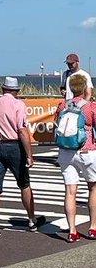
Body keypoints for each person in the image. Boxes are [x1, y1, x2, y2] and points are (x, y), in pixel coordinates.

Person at [0, 76, 44, 238]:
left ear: (3, 89)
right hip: (14, 146)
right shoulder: (19, 104)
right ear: (16, 91)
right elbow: (22, 130)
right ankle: (32, 220)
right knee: (24, 184)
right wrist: (29, 155)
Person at [53, 72, 96, 243]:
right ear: (85, 88)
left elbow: (55, 126)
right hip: (87, 151)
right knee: (93, 188)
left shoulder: (62, 105)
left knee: (70, 191)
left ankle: (72, 231)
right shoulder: (91, 107)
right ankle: (93, 227)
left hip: (65, 152)